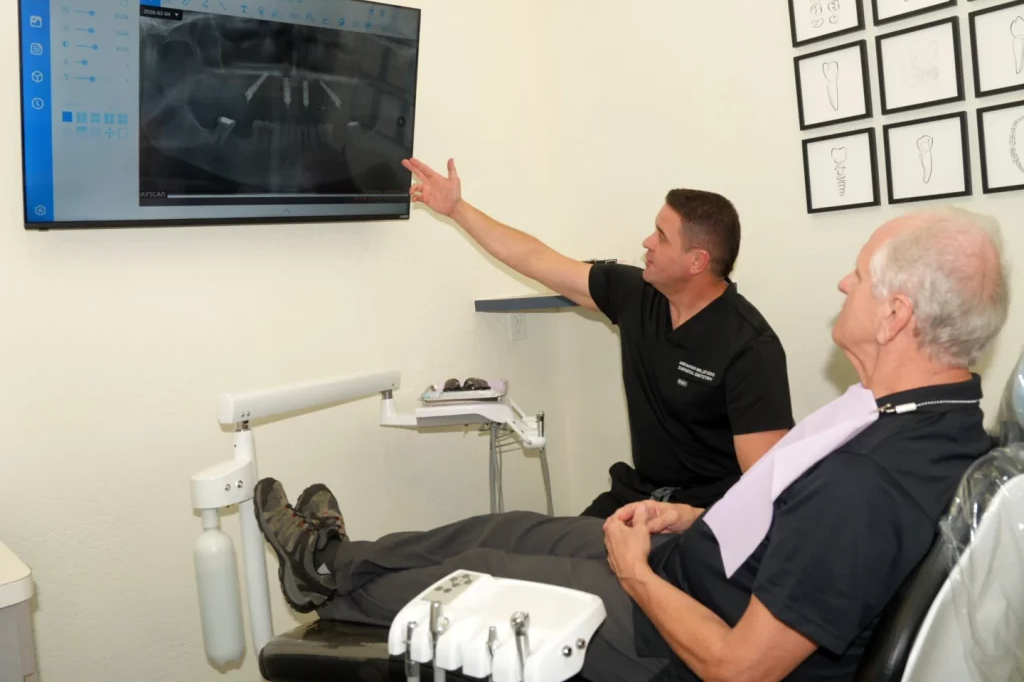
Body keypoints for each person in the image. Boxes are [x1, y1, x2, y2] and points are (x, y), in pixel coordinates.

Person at [254, 207, 1009, 682]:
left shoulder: (869, 482)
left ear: (896, 315)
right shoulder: (924, 419)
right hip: (694, 558)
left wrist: (637, 575)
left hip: (670, 636)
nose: (844, 284)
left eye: (861, 277)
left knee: (477, 577)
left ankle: (326, 577)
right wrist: (689, 521)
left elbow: (740, 669)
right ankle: (333, 559)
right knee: (507, 529)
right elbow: (785, 502)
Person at [403, 156, 795, 517]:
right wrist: (457, 209)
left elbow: (767, 492)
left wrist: (687, 521)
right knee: (549, 557)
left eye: (661, 235)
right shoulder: (638, 294)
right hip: (639, 496)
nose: (647, 242)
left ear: (697, 262)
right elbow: (535, 258)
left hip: (708, 514)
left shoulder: (749, 348)